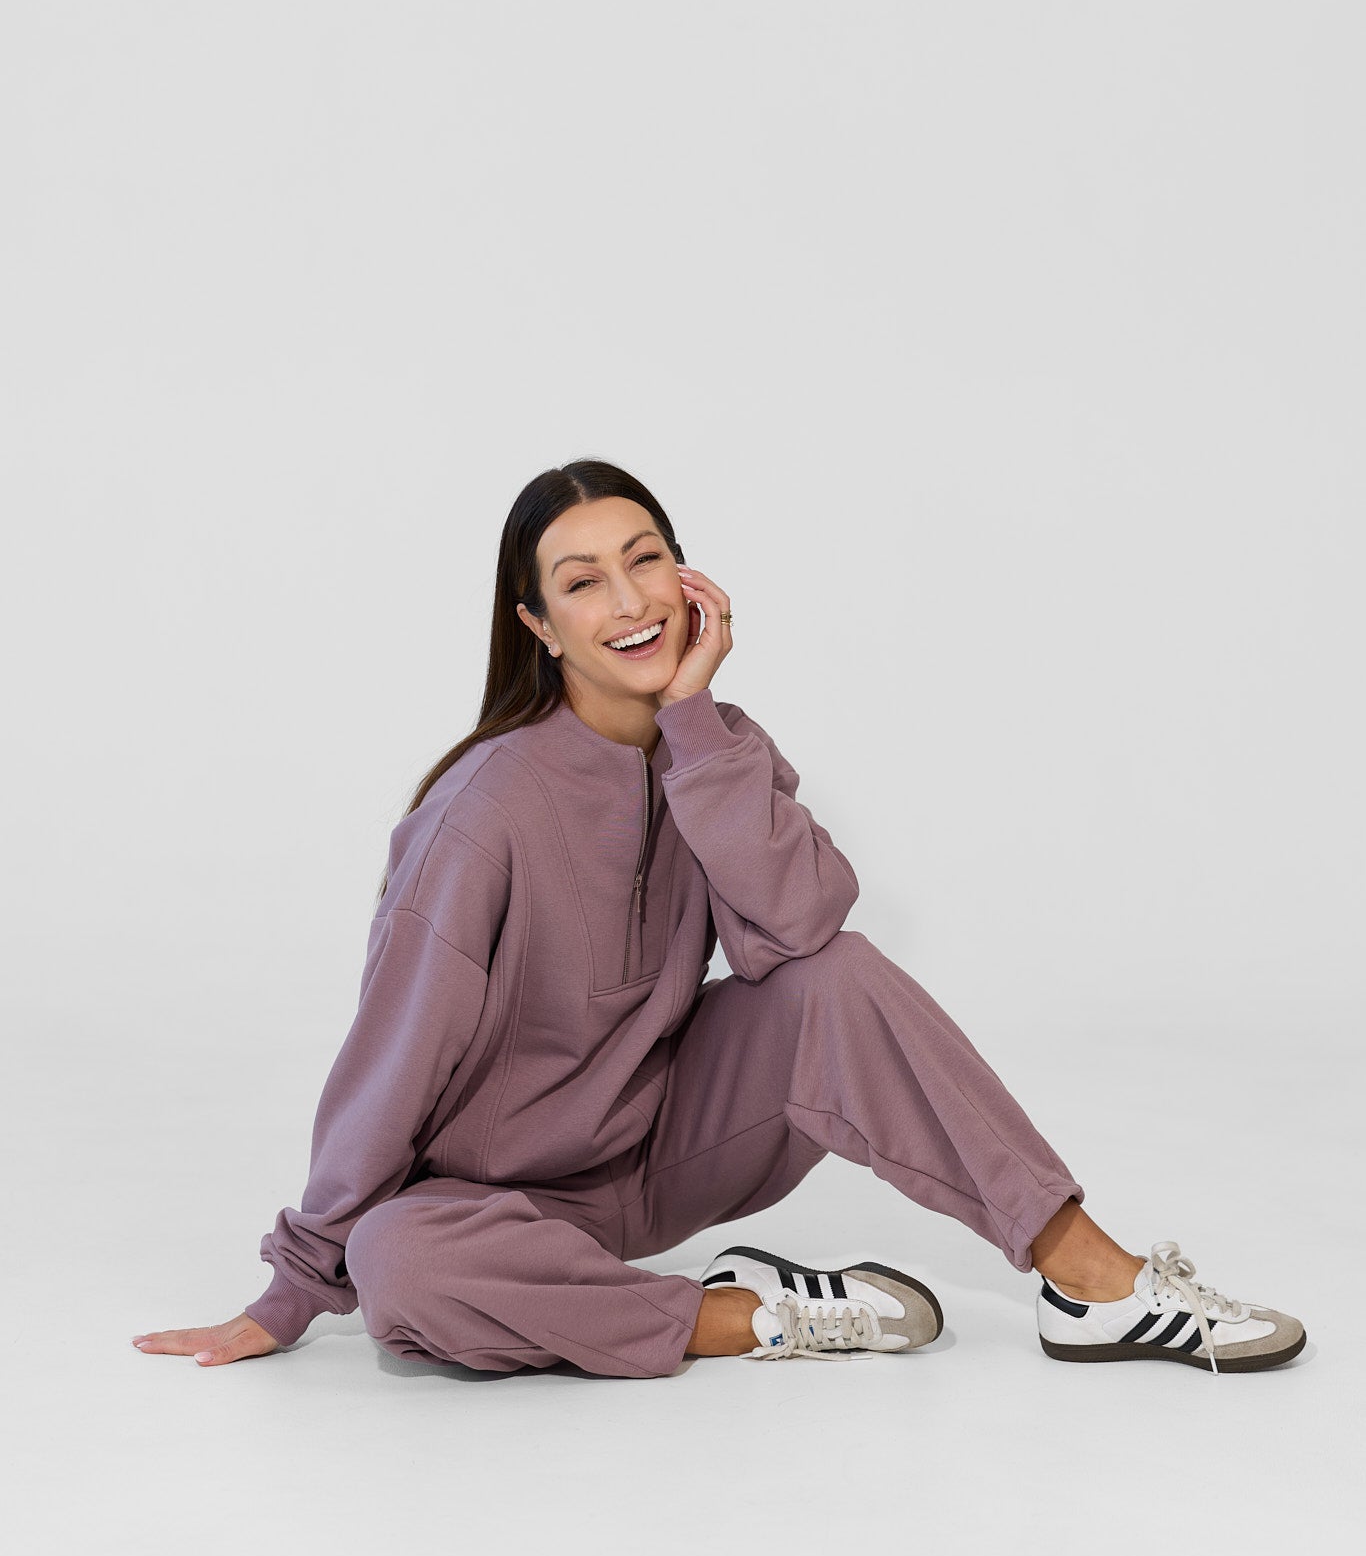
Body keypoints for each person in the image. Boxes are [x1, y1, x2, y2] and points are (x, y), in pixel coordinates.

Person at [132, 462, 1307, 1377]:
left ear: (689, 580)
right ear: (538, 623)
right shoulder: (481, 813)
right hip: (495, 1205)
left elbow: (796, 938)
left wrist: (694, 724)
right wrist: (297, 1282)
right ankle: (753, 1314)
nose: (628, 600)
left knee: (836, 973)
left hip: (661, 1153)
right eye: (583, 581)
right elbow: (390, 1058)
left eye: (646, 560)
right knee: (400, 1262)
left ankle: (1092, 1283)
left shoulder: (717, 747)